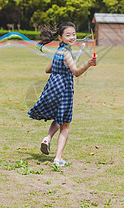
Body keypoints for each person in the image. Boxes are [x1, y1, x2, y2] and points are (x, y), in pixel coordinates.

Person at [28, 22, 96, 167]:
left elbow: (48, 70)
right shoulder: (66, 53)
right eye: (68, 35)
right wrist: (88, 64)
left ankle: (47, 138)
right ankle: (58, 158)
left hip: (52, 88)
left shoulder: (58, 51)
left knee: (59, 118)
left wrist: (59, 70)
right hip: (64, 90)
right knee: (65, 125)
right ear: (60, 37)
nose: (72, 37)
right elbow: (76, 73)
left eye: (74, 34)